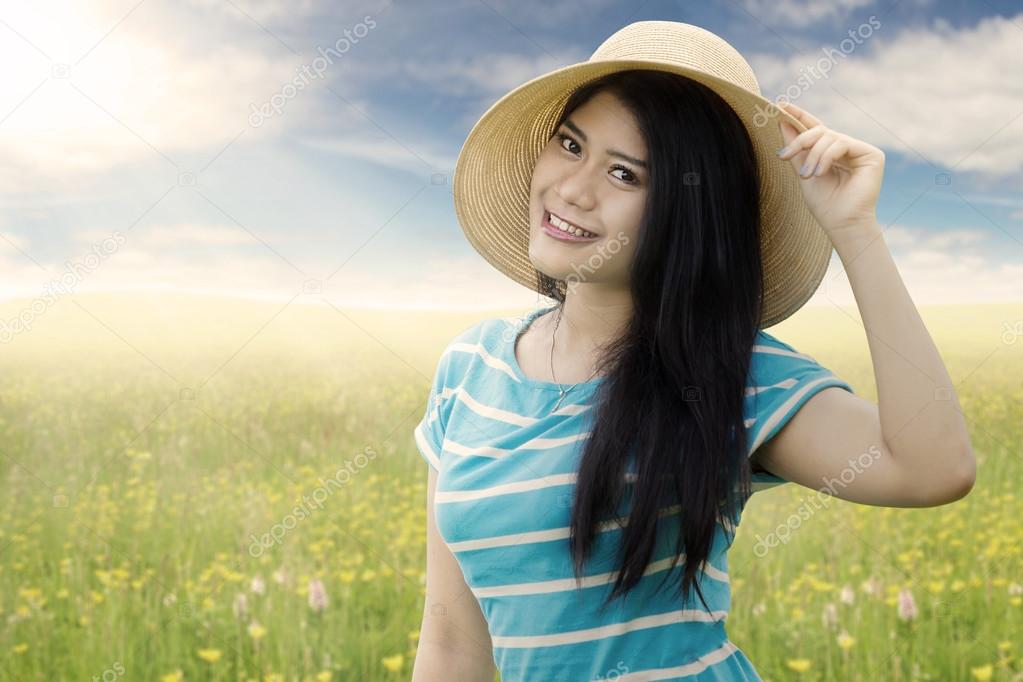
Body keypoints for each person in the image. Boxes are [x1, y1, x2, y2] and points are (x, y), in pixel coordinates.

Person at [411, 20, 975, 682]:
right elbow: (451, 639)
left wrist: (855, 232)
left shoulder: (727, 374)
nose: (571, 189)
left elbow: (932, 468)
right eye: (570, 145)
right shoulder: (469, 369)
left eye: (624, 174)